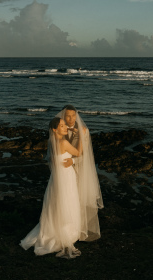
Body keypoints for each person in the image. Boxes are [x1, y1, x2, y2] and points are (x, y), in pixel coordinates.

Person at [20, 116, 84, 258]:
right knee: (67, 201)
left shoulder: (52, 142)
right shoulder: (63, 142)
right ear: (55, 130)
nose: (65, 127)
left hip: (56, 178)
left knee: (57, 203)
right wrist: (81, 136)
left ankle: (55, 229)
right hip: (66, 176)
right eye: (62, 126)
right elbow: (79, 153)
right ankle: (66, 232)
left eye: (64, 125)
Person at [57, 105, 102, 242]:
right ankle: (64, 229)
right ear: (63, 117)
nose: (71, 119)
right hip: (63, 172)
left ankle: (78, 230)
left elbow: (86, 155)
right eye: (68, 116)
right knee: (65, 201)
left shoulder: (84, 131)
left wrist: (73, 161)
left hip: (79, 170)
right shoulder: (59, 130)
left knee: (79, 200)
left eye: (73, 115)